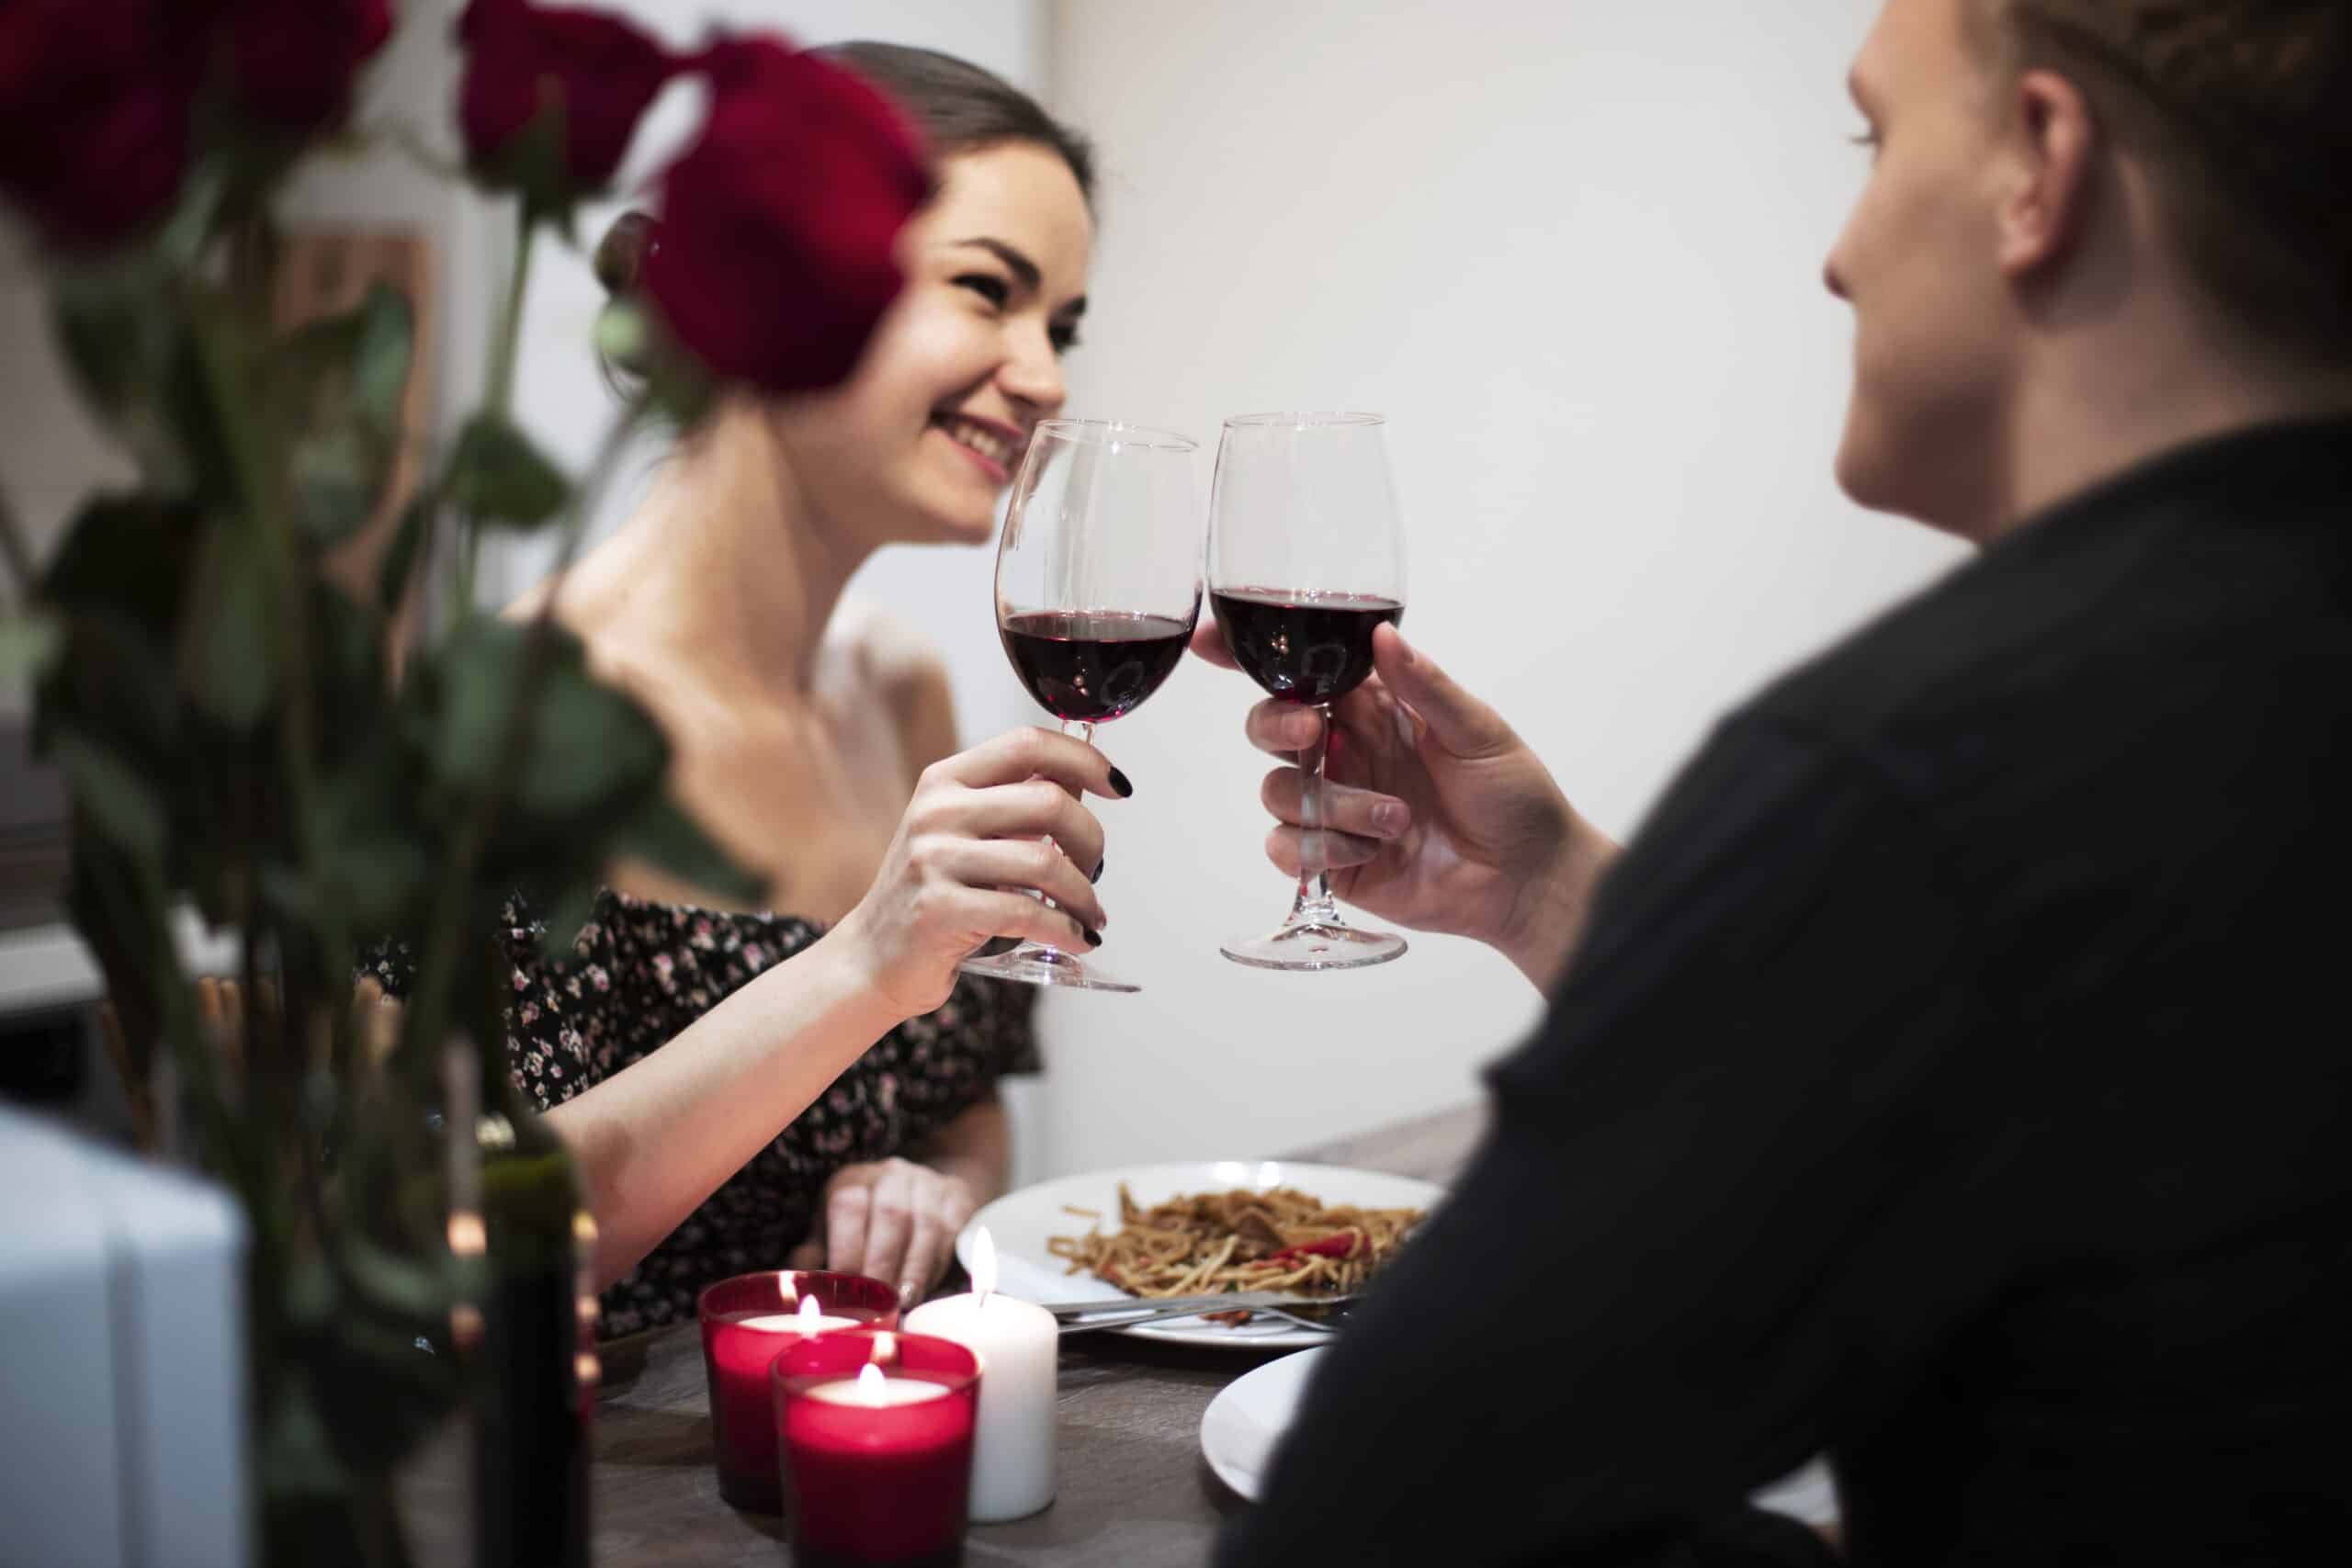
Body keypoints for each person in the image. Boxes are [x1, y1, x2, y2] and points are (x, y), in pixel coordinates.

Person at [1209, 0, 2352, 1562]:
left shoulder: (1923, 774)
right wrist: (1552, 892)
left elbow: (1375, 1519)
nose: (1841, 254)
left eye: (1875, 142)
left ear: (2038, 163)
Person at [369, 43, 1113, 1335]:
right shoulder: (510, 721)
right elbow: (455, 1235)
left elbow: (965, 1104)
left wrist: (930, 1185)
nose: (1045, 375)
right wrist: (864, 965)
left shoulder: (898, 689)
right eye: (988, 292)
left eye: (1059, 326)